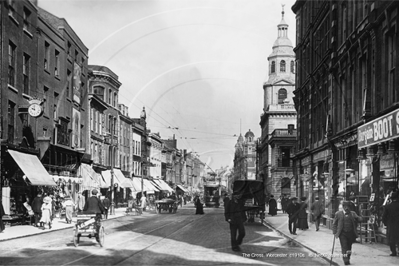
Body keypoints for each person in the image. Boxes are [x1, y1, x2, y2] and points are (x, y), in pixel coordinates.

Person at [332, 201, 362, 265]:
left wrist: (359, 218)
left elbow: (359, 219)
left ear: (349, 207)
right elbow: (334, 224)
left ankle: (348, 257)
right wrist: (334, 232)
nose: (346, 208)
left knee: (349, 247)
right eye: (345, 206)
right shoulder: (338, 214)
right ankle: (346, 260)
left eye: (348, 207)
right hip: (342, 233)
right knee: (344, 246)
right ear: (343, 207)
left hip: (351, 233)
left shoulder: (353, 214)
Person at [382, 191, 399, 256]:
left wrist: (386, 223)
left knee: (392, 239)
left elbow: (384, 217)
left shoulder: (388, 207)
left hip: (391, 225)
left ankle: (393, 252)